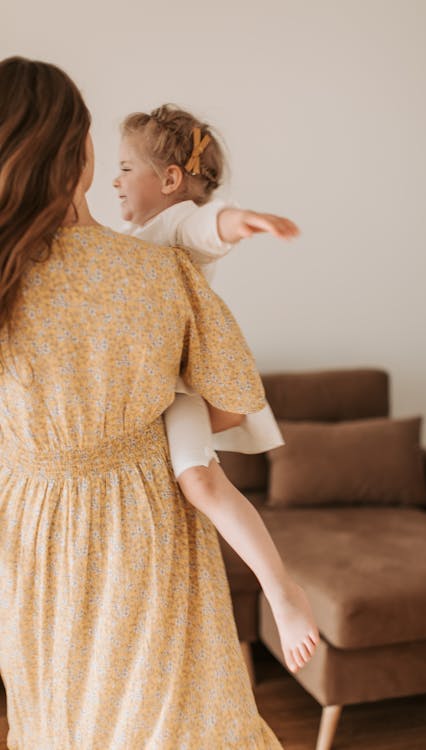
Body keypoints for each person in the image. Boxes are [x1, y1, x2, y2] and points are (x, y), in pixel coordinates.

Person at [0, 56, 288, 749]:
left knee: (58, 721)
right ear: (81, 153)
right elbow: (227, 406)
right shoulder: (156, 272)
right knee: (170, 720)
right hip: (140, 528)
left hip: (25, 534)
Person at [113, 104, 319, 677]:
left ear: (171, 180)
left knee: (200, 480)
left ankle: (282, 592)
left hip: (177, 389)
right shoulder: (124, 239)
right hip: (144, 389)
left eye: (126, 167)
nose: (114, 179)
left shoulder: (171, 224)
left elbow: (208, 224)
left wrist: (243, 221)